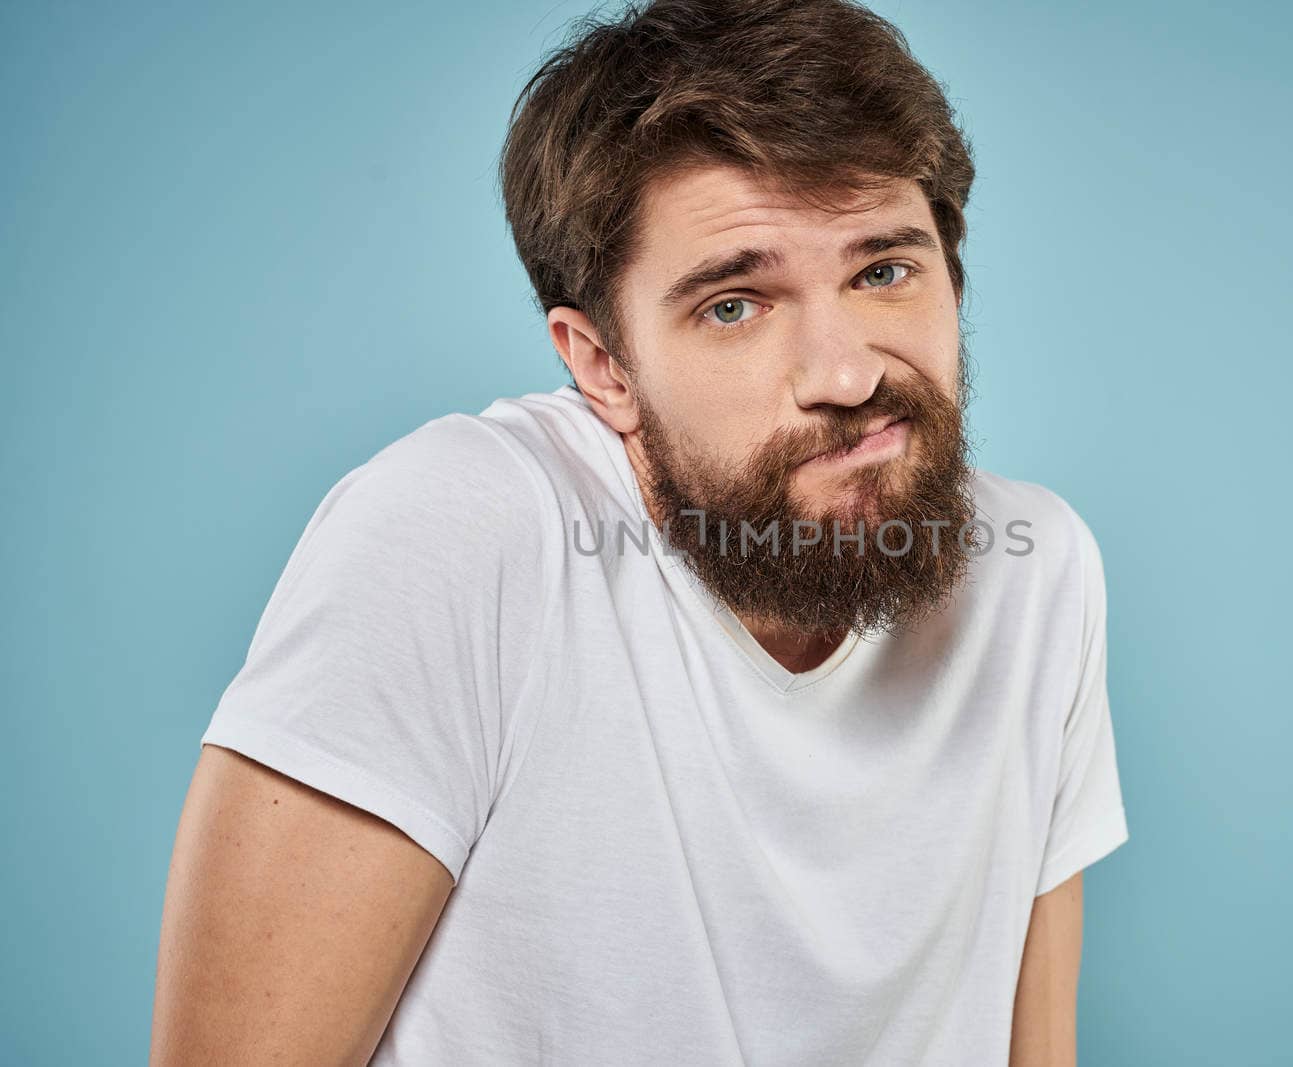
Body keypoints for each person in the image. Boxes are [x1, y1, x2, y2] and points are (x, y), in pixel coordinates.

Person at [152, 1, 1130, 1063]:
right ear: (602, 365)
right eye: (734, 304)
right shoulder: (463, 534)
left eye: (882, 270)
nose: (847, 373)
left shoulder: (1040, 572)